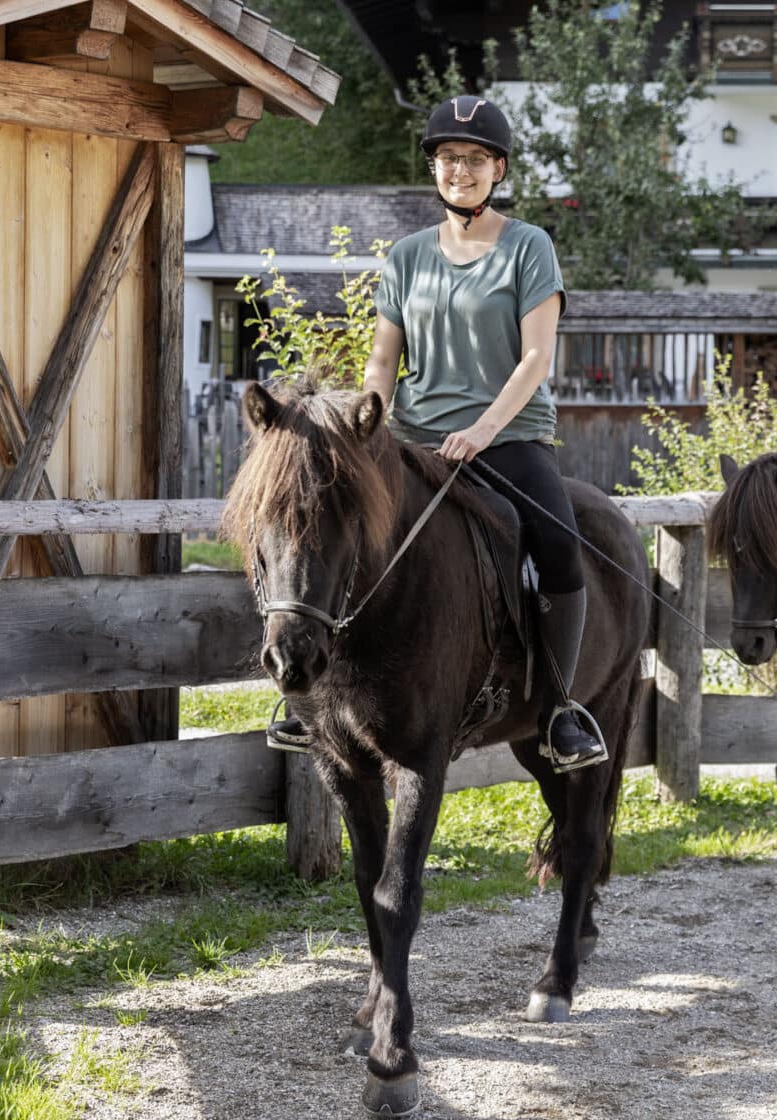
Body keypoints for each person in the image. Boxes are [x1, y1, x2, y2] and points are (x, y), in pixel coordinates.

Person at [269, 95, 607, 772]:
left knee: (561, 548)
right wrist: (365, 426)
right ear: (436, 168)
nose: (460, 170)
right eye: (449, 159)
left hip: (508, 438)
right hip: (417, 438)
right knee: (334, 532)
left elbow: (536, 357)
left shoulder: (529, 247)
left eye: (475, 159)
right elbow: (383, 360)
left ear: (498, 169)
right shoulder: (407, 256)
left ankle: (560, 709)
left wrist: (484, 429)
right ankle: (313, 701)